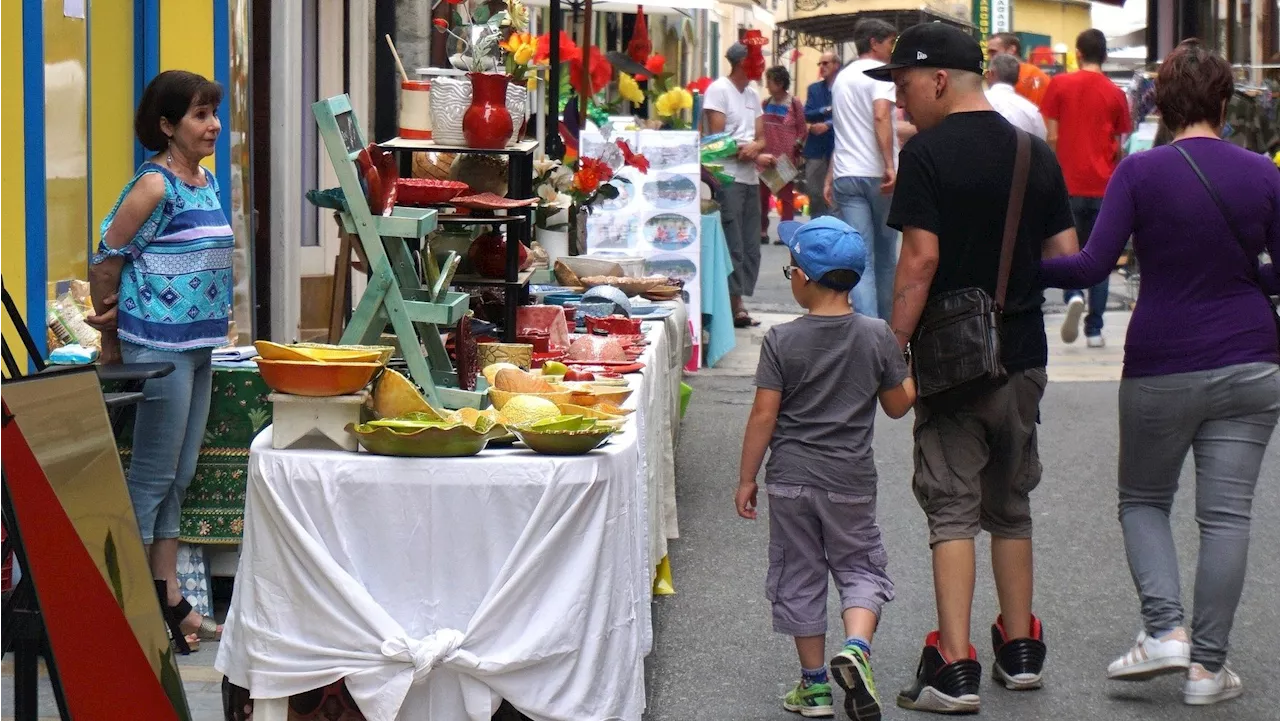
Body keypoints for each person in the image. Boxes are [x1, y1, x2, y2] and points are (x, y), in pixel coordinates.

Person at [1039, 40, 1280, 707]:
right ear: (1226, 103)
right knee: (1227, 516)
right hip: (1254, 356)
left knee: (1144, 499)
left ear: (1160, 104)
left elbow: (1090, 266)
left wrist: (1012, 271)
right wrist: (1247, 277)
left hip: (1163, 358)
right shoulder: (1265, 174)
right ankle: (1207, 669)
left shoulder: (1140, 173)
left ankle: (1163, 628)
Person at [867, 23, 1078, 713]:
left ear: (936, 80)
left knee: (952, 506)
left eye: (902, 88)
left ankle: (953, 664)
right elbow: (1065, 251)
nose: (900, 104)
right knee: (1011, 503)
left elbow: (919, 261)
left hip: (950, 362)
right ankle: (1019, 649)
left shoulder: (925, 156)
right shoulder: (1032, 153)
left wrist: (892, 345)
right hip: (1022, 357)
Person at [737, 215, 915, 721]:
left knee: (800, 573)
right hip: (851, 480)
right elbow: (899, 406)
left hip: (791, 479)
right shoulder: (877, 335)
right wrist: (912, 373)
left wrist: (748, 477)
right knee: (859, 566)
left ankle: (814, 687)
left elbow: (764, 414)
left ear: (802, 278)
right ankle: (856, 648)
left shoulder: (781, 340)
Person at [86, 70, 231, 654]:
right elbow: (105, 260)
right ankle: (124, 607)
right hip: (159, 350)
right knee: (149, 478)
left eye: (213, 113)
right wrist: (112, 339)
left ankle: (168, 598)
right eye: (198, 115)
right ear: (167, 126)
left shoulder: (206, 180)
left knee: (180, 476)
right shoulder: (154, 186)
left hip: (198, 348)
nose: (212, 125)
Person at [1040, 28, 1132, 347]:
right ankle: (1094, 330)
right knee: (1101, 258)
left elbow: (1051, 136)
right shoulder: (1115, 92)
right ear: (1105, 56)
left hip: (1066, 184)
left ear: (1078, 53)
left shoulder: (1059, 85)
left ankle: (1074, 295)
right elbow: (1119, 145)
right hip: (1104, 186)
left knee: (1069, 251)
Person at [825, 18, 900, 321]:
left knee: (861, 257)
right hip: (875, 174)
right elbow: (881, 117)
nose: (892, 49)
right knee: (885, 257)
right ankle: (887, 329)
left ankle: (867, 327)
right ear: (874, 42)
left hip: (846, 172)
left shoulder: (841, 78)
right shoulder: (881, 75)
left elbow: (842, 129)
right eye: (889, 43)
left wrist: (830, 175)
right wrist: (889, 164)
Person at [705, 43, 771, 328]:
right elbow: (715, 139)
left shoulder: (753, 94)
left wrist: (754, 148)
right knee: (733, 242)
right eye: (757, 59)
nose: (762, 65)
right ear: (743, 61)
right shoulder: (719, 90)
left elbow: (761, 135)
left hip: (749, 176)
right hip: (727, 176)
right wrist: (745, 150)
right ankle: (733, 306)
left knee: (750, 243)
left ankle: (740, 300)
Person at [760, 65, 808, 245]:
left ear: (780, 83)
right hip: (766, 156)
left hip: (786, 157)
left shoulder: (794, 103)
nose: (766, 85)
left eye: (769, 81)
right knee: (762, 196)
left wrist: (796, 146)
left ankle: (786, 234)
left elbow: (802, 130)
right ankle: (762, 231)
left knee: (786, 197)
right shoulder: (765, 103)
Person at [803, 51, 840, 218]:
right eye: (820, 64)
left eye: (826, 63)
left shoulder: (844, 86)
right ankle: (816, 225)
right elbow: (808, 114)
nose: (822, 67)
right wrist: (826, 110)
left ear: (836, 65)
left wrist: (827, 124)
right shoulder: (814, 89)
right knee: (814, 192)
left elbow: (846, 113)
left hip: (836, 147)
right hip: (816, 148)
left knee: (836, 195)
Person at [985, 54, 1046, 140]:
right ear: (1017, 79)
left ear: (990, 74)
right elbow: (1042, 142)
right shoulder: (1032, 111)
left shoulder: (976, 101)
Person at [985, 32, 1050, 106]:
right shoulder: (995, 75)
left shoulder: (1033, 75)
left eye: (993, 52)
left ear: (1011, 50)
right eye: (989, 53)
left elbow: (1037, 112)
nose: (990, 57)